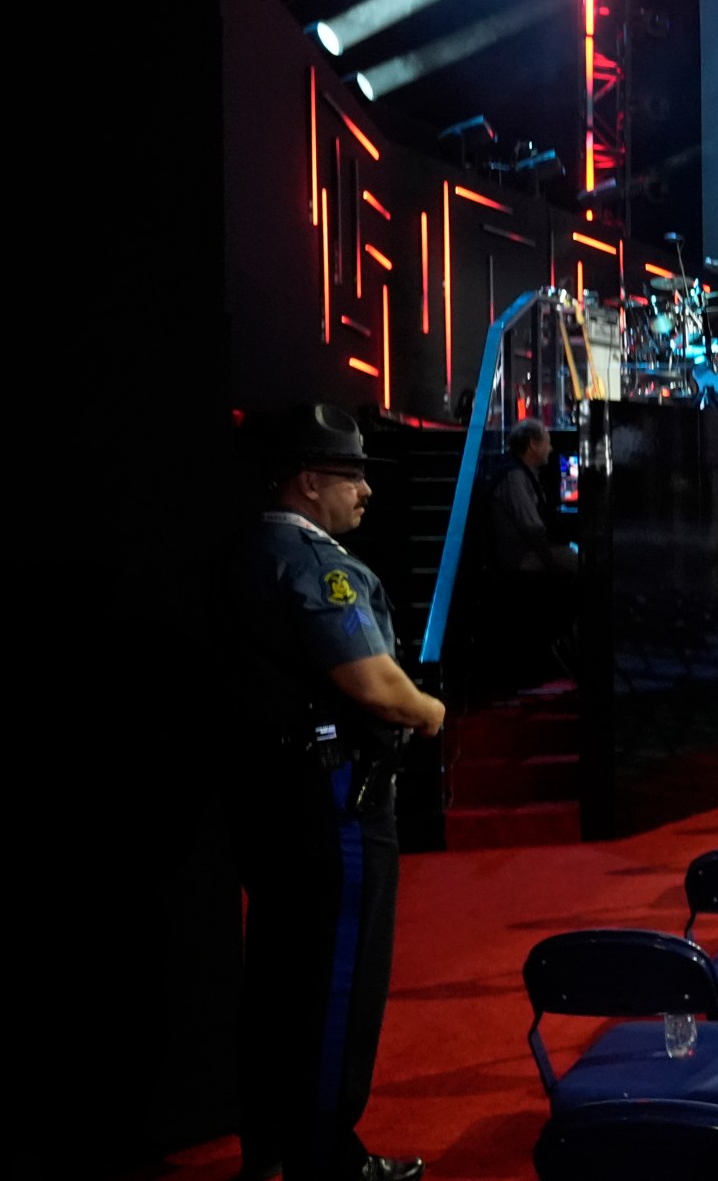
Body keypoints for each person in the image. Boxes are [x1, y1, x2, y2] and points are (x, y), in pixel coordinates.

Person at [228, 405, 445, 1181]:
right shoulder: (314, 564)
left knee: (278, 980)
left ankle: (271, 1148)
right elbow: (374, 686)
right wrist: (431, 711)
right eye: (351, 476)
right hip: (336, 801)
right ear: (310, 482)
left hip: (269, 796)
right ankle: (325, 1160)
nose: (366, 493)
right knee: (336, 988)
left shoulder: (246, 547)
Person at [487, 419, 576, 682]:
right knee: (582, 567)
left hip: (524, 552)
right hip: (519, 558)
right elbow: (533, 528)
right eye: (546, 442)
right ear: (532, 444)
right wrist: (553, 562)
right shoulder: (514, 477)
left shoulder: (520, 473)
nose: (550, 448)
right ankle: (567, 640)